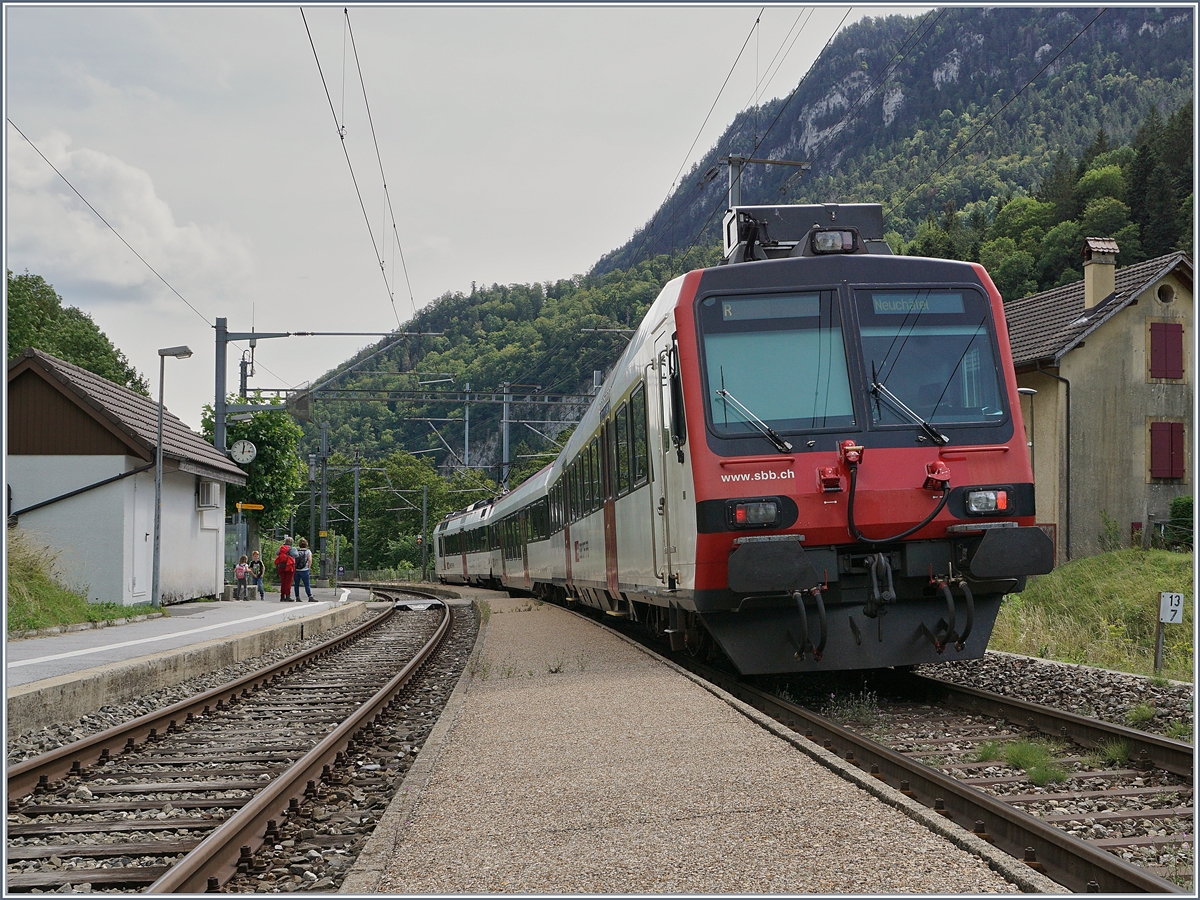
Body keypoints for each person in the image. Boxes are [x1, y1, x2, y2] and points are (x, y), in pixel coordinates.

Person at [294, 538, 315, 602]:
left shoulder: (296, 551)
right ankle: (310, 597)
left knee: (296, 584)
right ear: (306, 544)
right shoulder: (308, 551)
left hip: (297, 570)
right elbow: (310, 560)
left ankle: (297, 597)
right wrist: (309, 567)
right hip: (305, 570)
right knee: (307, 584)